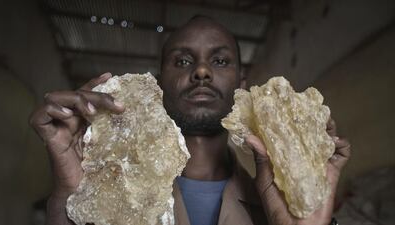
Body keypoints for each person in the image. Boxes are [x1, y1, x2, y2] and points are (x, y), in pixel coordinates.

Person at [30, 16, 351, 225]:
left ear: (240, 83)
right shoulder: (114, 195)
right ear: (157, 84)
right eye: (182, 60)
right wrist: (68, 198)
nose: (201, 71)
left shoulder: (278, 202)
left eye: (220, 60)